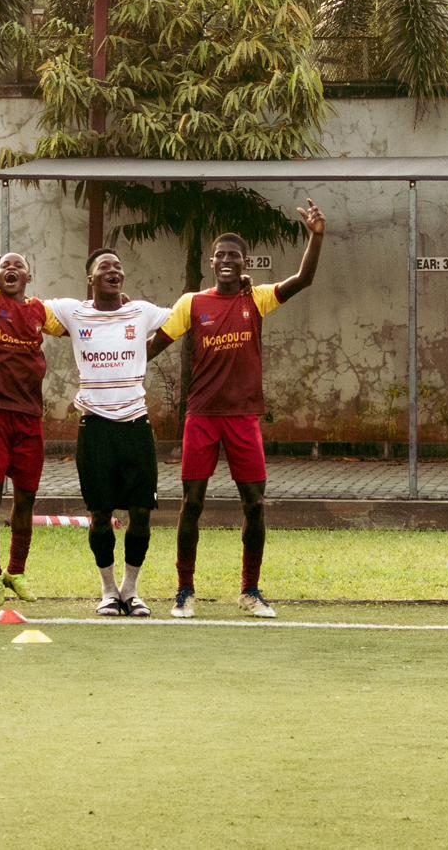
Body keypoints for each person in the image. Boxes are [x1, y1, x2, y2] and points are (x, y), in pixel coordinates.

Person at [148, 201, 327, 619]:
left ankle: (250, 590)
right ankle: (185, 591)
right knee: (192, 503)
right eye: (221, 255)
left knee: (254, 504)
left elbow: (304, 279)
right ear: (211, 262)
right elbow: (154, 346)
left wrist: (316, 236)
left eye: (235, 256)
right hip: (202, 417)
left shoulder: (257, 298)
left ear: (244, 262)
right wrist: (115, 368)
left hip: (244, 418)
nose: (227, 260)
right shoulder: (192, 303)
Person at [46, 248, 169, 618]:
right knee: (99, 514)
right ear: (91, 279)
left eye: (118, 267)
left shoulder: (142, 312)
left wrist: (146, 352)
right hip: (95, 428)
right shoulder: (73, 311)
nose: (113, 271)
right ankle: (108, 590)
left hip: (136, 426)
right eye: (105, 267)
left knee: (141, 512)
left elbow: (187, 315)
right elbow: (25, 305)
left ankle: (131, 591)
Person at [0, 179, 62, 608]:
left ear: (28, 275)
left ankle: (16, 573)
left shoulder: (40, 311)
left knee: (26, 498)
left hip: (28, 417)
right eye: (5, 265)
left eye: (18, 265)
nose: (11, 269)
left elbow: (81, 321)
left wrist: (113, 303)